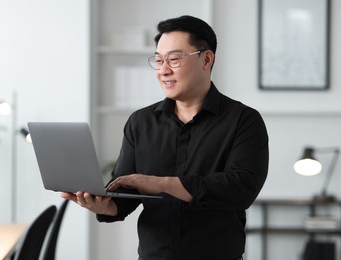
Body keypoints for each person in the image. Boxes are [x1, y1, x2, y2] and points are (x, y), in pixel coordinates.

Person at [62, 15, 269, 260]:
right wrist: (103, 205)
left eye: (174, 59)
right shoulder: (140, 122)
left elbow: (241, 189)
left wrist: (161, 184)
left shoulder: (243, 120)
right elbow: (124, 194)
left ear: (206, 59)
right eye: (159, 60)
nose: (163, 71)